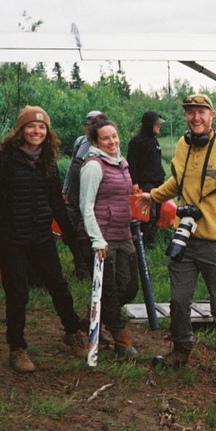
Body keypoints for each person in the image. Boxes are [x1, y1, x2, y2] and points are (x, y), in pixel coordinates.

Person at [135, 92, 216, 391]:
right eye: (190, 112)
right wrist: (152, 197)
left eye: (202, 112)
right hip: (185, 238)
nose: (196, 117)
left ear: (211, 115)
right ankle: (181, 350)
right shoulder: (182, 145)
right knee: (178, 300)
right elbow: (178, 183)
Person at [0, 105, 89, 373]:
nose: (36, 131)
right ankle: (17, 348)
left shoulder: (47, 160)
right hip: (11, 238)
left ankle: (73, 332)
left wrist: (70, 234)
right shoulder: (3, 159)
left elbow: (56, 202)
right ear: (20, 130)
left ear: (47, 132)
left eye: (42, 127)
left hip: (41, 235)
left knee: (59, 286)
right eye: (31, 126)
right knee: (17, 294)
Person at [78, 118, 140, 358]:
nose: (111, 141)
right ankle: (122, 341)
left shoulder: (121, 162)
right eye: (105, 138)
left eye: (114, 136)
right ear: (95, 141)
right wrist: (96, 239)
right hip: (100, 236)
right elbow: (86, 205)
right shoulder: (93, 165)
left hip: (123, 233)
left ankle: (90, 317)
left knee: (129, 287)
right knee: (110, 290)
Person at [64, 109, 104, 279]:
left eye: (92, 124)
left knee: (86, 230)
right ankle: (79, 262)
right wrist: (65, 189)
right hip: (73, 192)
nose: (88, 128)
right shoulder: (80, 142)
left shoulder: (102, 143)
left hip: (91, 195)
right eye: (87, 125)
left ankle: (86, 268)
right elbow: (71, 166)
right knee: (69, 227)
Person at [126, 110, 166, 247]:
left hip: (157, 183)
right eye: (157, 124)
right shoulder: (137, 141)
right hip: (145, 183)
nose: (159, 127)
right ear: (150, 124)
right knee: (149, 215)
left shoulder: (154, 140)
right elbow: (131, 163)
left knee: (157, 214)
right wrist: (134, 182)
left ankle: (150, 244)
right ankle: (142, 244)